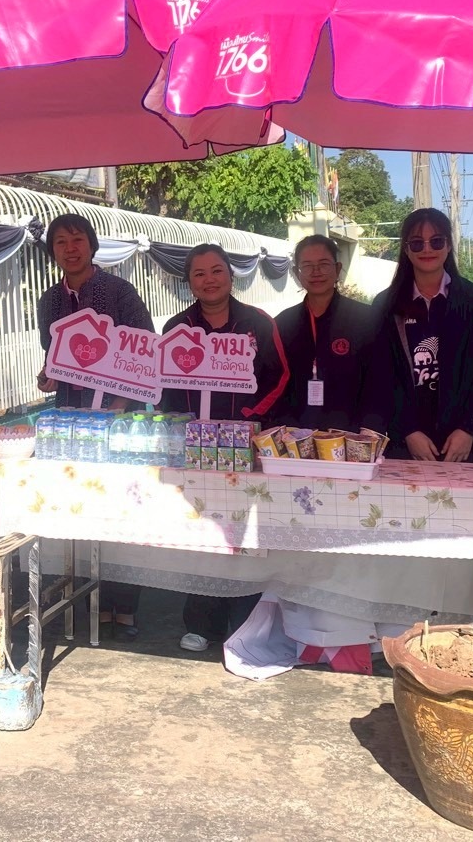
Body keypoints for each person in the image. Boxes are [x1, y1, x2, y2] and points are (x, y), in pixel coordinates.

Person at [161, 243, 290, 652]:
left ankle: (247, 623)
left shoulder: (258, 323)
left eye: (216, 270)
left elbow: (281, 378)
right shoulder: (176, 328)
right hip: (195, 452)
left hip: (244, 451)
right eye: (199, 273)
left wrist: (251, 418)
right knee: (201, 531)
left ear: (231, 276)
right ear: (189, 282)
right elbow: (164, 388)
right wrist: (178, 426)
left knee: (247, 534)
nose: (209, 280)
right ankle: (201, 622)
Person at [35, 212, 154, 638]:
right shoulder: (49, 300)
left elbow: (145, 352)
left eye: (78, 240)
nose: (70, 249)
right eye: (61, 242)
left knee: (120, 510)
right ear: (53, 251)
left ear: (92, 245)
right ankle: (92, 601)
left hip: (119, 420)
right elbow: (54, 358)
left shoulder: (119, 292)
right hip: (73, 423)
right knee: (80, 509)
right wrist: (47, 377)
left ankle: (125, 605)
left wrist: (119, 407)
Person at [369, 208, 473, 463]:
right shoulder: (385, 305)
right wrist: (407, 430)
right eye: (417, 243)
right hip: (407, 445)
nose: (427, 249)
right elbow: (381, 376)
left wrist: (469, 429)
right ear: (406, 249)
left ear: (448, 245)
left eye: (436, 241)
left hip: (466, 444)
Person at [275, 235, 377, 431]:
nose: (316, 272)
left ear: (337, 269)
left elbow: (378, 382)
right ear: (296, 273)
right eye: (307, 266)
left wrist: (367, 432)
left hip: (351, 434)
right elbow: (275, 385)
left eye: (324, 264)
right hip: (297, 436)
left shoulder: (366, 319)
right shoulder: (282, 324)